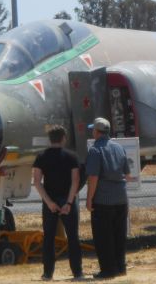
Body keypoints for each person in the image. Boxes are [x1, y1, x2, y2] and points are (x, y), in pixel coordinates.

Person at [32, 125, 83, 281]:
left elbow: (37, 182)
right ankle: (77, 273)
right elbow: (75, 181)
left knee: (49, 238)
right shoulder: (72, 157)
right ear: (64, 138)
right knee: (73, 237)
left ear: (50, 139)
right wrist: (68, 202)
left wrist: (49, 202)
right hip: (67, 201)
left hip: (50, 202)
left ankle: (48, 273)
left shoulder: (41, 157)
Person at [85, 117, 131, 279]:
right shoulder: (119, 148)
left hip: (103, 200)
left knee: (103, 237)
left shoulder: (95, 150)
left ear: (96, 132)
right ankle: (120, 267)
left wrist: (89, 198)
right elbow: (127, 173)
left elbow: (93, 177)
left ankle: (108, 270)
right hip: (121, 198)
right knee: (119, 235)